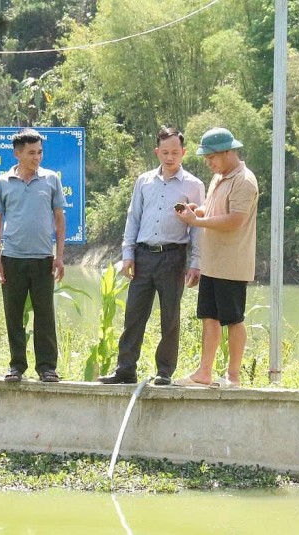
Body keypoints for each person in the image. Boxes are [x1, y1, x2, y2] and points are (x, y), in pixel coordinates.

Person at [98, 127, 205, 386]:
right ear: (157, 151)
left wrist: (196, 262)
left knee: (170, 315)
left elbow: (198, 226)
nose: (170, 157)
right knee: (134, 314)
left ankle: (164, 371)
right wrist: (128, 254)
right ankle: (125, 369)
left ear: (184, 153)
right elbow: (133, 217)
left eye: (175, 152)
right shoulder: (144, 181)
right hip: (143, 255)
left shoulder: (193, 185)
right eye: (165, 152)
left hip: (173, 256)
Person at [173, 127, 258, 388]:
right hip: (212, 262)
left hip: (232, 264)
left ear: (227, 152)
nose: (208, 163)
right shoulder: (219, 178)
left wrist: (197, 222)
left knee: (233, 318)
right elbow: (215, 211)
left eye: (211, 157)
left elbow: (235, 220)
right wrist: (198, 211)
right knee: (209, 316)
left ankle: (233, 376)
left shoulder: (244, 180)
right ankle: (204, 372)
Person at [0, 128, 66, 383]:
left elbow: (59, 218)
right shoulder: (2, 183)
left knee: (45, 315)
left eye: (40, 152)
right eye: (32, 153)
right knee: (14, 315)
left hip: (43, 257)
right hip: (12, 258)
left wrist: (60, 256)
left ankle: (47, 367)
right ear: (18, 154)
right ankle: (16, 366)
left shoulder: (51, 179)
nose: (37, 157)